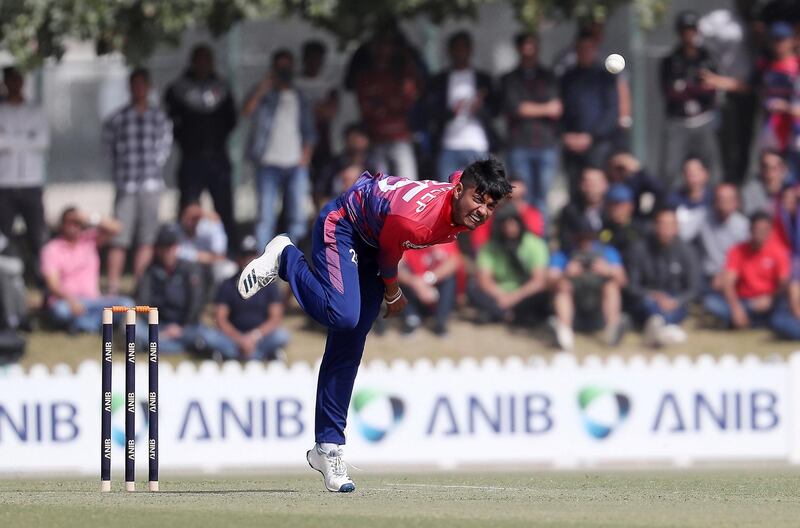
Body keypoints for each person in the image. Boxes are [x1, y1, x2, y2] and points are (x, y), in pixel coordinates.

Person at [237, 158, 512, 492]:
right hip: (345, 226)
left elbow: (461, 176)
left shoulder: (460, 192)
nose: (482, 210)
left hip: (372, 239)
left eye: (490, 205)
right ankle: (286, 257)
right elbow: (389, 256)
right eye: (477, 199)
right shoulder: (416, 222)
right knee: (343, 315)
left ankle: (327, 447)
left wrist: (495, 186)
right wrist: (394, 294)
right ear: (458, 191)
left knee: (350, 343)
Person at [103, 67, 173, 295]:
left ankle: (140, 287)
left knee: (146, 239)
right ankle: (112, 288)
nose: (139, 89)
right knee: (119, 238)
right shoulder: (117, 118)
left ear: (148, 87)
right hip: (127, 184)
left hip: (151, 185)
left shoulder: (159, 117)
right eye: (135, 84)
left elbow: (164, 148)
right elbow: (108, 150)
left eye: (143, 84)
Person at [164, 45, 238, 250]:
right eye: (200, 60)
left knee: (224, 208)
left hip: (218, 157)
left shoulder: (221, 87)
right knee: (188, 208)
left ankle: (230, 254)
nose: (204, 65)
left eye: (208, 60)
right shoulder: (178, 89)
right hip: (191, 158)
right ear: (193, 61)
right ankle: (184, 252)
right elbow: (172, 122)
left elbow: (231, 120)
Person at [243, 49, 316, 247]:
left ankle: (294, 266)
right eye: (280, 68)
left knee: (297, 218)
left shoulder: (299, 96)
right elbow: (246, 111)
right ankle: (262, 268)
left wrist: (305, 156)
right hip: (268, 163)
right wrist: (264, 86)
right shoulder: (265, 96)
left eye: (287, 67)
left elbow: (309, 130)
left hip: (295, 164)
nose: (284, 72)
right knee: (265, 219)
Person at [659, 10, 740, 187]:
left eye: (692, 30)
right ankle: (671, 209)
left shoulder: (707, 58)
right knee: (670, 170)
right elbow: (670, 93)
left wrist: (689, 88)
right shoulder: (671, 60)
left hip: (705, 119)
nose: (689, 34)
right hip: (679, 121)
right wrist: (695, 88)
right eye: (685, 30)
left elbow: (712, 88)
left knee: (712, 169)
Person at [40, 207, 132, 333]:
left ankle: (84, 325)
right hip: (67, 302)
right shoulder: (52, 249)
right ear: (62, 225)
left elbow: (117, 228)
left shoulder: (89, 240)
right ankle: (96, 324)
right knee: (60, 312)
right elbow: (53, 284)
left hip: (94, 301)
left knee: (126, 304)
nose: (73, 226)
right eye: (69, 222)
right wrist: (71, 301)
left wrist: (90, 218)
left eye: (77, 223)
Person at [501, 32, 561, 218]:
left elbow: (557, 108)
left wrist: (529, 108)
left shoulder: (549, 77)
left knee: (542, 199)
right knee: (521, 197)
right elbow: (516, 108)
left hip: (546, 145)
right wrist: (544, 108)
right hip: (519, 145)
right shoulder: (510, 78)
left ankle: (541, 242)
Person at [547, 217, 627, 350]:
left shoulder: (607, 252)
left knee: (611, 286)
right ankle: (564, 334)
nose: (585, 242)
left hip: (599, 313)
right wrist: (565, 273)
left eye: (589, 238)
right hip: (575, 313)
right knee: (563, 286)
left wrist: (608, 270)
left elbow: (623, 281)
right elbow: (549, 281)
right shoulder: (563, 254)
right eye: (581, 238)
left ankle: (612, 330)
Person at [427, 31, 496, 183]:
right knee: (448, 193)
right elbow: (431, 112)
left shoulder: (483, 79)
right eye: (456, 48)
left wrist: (479, 109)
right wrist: (451, 112)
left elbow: (495, 111)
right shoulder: (440, 80)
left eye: (463, 48)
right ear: (450, 51)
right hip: (448, 145)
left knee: (479, 193)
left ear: (470, 50)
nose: (460, 53)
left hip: (477, 144)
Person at [352, 31, 422, 180]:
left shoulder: (402, 74)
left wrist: (387, 104)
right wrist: (387, 105)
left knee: (408, 185)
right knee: (380, 188)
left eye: (388, 46)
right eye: (380, 46)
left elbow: (407, 101)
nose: (384, 50)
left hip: (400, 137)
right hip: (376, 138)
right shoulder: (366, 76)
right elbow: (366, 108)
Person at [626, 208, 699, 348]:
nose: (666, 229)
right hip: (648, 298)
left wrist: (676, 301)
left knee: (674, 311)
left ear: (677, 227)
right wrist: (653, 295)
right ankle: (664, 329)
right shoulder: (640, 249)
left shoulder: (687, 251)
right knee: (647, 305)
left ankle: (658, 328)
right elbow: (632, 286)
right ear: (654, 226)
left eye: (670, 224)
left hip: (675, 300)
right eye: (662, 224)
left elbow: (693, 288)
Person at [0, 66, 50, 271]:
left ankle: (43, 280)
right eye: (10, 80)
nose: (14, 84)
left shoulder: (35, 110)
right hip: (4, 182)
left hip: (31, 182)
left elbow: (42, 141)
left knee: (38, 235)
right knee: (3, 235)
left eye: (17, 80)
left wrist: (8, 141)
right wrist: (26, 139)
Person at [136, 224, 214, 354]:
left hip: (186, 327)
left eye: (171, 247)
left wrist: (181, 328)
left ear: (177, 247)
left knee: (207, 335)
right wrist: (159, 328)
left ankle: (161, 346)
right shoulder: (150, 272)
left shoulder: (190, 269)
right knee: (134, 331)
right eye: (164, 247)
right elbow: (144, 304)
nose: (167, 252)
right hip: (158, 327)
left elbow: (196, 302)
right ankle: (180, 347)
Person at [703, 212, 789, 329]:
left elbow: (784, 283)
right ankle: (748, 321)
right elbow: (728, 282)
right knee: (711, 302)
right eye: (757, 229)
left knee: (781, 310)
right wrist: (736, 308)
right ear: (750, 229)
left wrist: (770, 298)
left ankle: (750, 323)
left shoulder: (778, 251)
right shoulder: (738, 250)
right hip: (744, 301)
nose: (760, 233)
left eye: (764, 230)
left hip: (769, 301)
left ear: (770, 231)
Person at [560, 31, 621, 197]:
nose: (585, 52)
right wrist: (566, 135)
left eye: (589, 48)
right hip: (572, 145)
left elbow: (612, 113)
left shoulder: (605, 78)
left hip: (598, 145)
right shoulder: (567, 78)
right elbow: (560, 110)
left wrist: (591, 136)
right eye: (581, 48)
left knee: (596, 188)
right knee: (575, 189)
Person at [209, 235, 290, 361]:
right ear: (238, 258)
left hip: (260, 337)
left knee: (282, 336)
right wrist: (240, 339)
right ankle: (261, 356)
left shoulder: (270, 284)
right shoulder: (227, 284)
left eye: (251, 255)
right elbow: (220, 318)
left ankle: (235, 355)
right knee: (209, 336)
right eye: (244, 255)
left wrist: (253, 337)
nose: (248, 259)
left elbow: (275, 318)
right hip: (234, 337)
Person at [471, 204, 549, 325]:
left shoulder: (535, 244)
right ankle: (509, 316)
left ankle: (499, 314)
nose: (509, 229)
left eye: (512, 223)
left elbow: (538, 281)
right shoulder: (489, 247)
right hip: (498, 294)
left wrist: (513, 297)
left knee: (543, 295)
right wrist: (501, 296)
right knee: (473, 288)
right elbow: (484, 279)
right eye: (505, 225)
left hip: (523, 294)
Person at [296, 40, 339, 189]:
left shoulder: (328, 84)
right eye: (310, 58)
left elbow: (331, 112)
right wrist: (317, 107)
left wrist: (307, 107)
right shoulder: (295, 82)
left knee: (321, 183)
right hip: (297, 140)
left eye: (317, 58)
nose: (313, 62)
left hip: (322, 139)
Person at [758, 22, 799, 167]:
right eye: (775, 40)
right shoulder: (767, 66)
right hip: (774, 128)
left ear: (792, 41)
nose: (778, 44)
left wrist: (786, 107)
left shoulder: (797, 66)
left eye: (782, 40)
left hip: (795, 128)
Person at [398, 242, 460, 336]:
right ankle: (411, 319)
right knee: (397, 280)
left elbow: (454, 262)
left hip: (434, 288)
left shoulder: (445, 237)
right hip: (414, 288)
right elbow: (396, 267)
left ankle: (441, 321)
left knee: (449, 280)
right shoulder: (406, 241)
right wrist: (414, 282)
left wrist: (429, 279)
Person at [470, 175, 544, 252]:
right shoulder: (490, 216)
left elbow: (536, 247)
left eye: (520, 197)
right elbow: (478, 244)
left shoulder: (532, 214)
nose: (515, 203)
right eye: (511, 199)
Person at [697, 184, 750, 288]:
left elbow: (749, 258)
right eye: (721, 199)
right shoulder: (702, 217)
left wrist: (727, 276)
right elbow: (683, 234)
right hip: (706, 276)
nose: (724, 203)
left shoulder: (744, 226)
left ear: (737, 202)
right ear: (714, 202)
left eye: (729, 199)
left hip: (736, 278)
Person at [175, 202, 235, 288]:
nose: (191, 221)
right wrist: (201, 257)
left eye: (196, 218)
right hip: (187, 269)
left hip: (210, 267)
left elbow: (220, 255)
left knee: (227, 269)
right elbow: (175, 253)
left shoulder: (207, 228)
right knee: (192, 269)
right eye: (188, 217)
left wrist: (214, 221)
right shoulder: (175, 231)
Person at [316, 123, 375, 205]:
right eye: (353, 138)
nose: (356, 142)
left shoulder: (374, 164)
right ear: (346, 140)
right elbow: (320, 191)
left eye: (360, 138)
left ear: (367, 140)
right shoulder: (334, 164)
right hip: (337, 207)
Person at [557, 167, 608, 252]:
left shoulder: (613, 209)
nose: (591, 189)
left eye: (594, 184)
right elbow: (565, 239)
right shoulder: (570, 211)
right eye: (587, 183)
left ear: (605, 185)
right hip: (577, 255)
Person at [605, 152, 665, 220]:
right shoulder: (605, 183)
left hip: (632, 222)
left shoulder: (635, 183)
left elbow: (660, 192)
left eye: (622, 169)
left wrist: (639, 170)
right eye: (617, 168)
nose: (619, 172)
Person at [668, 157, 713, 243]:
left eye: (697, 171)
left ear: (706, 174)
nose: (692, 175)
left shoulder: (715, 200)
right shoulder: (673, 199)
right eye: (688, 172)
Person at [599, 183, 646, 264]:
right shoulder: (603, 228)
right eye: (611, 204)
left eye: (620, 205)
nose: (615, 209)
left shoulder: (640, 230)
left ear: (631, 206)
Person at [742, 149, 793, 216]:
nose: (769, 174)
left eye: (774, 168)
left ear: (783, 170)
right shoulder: (750, 191)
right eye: (765, 168)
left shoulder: (793, 191)